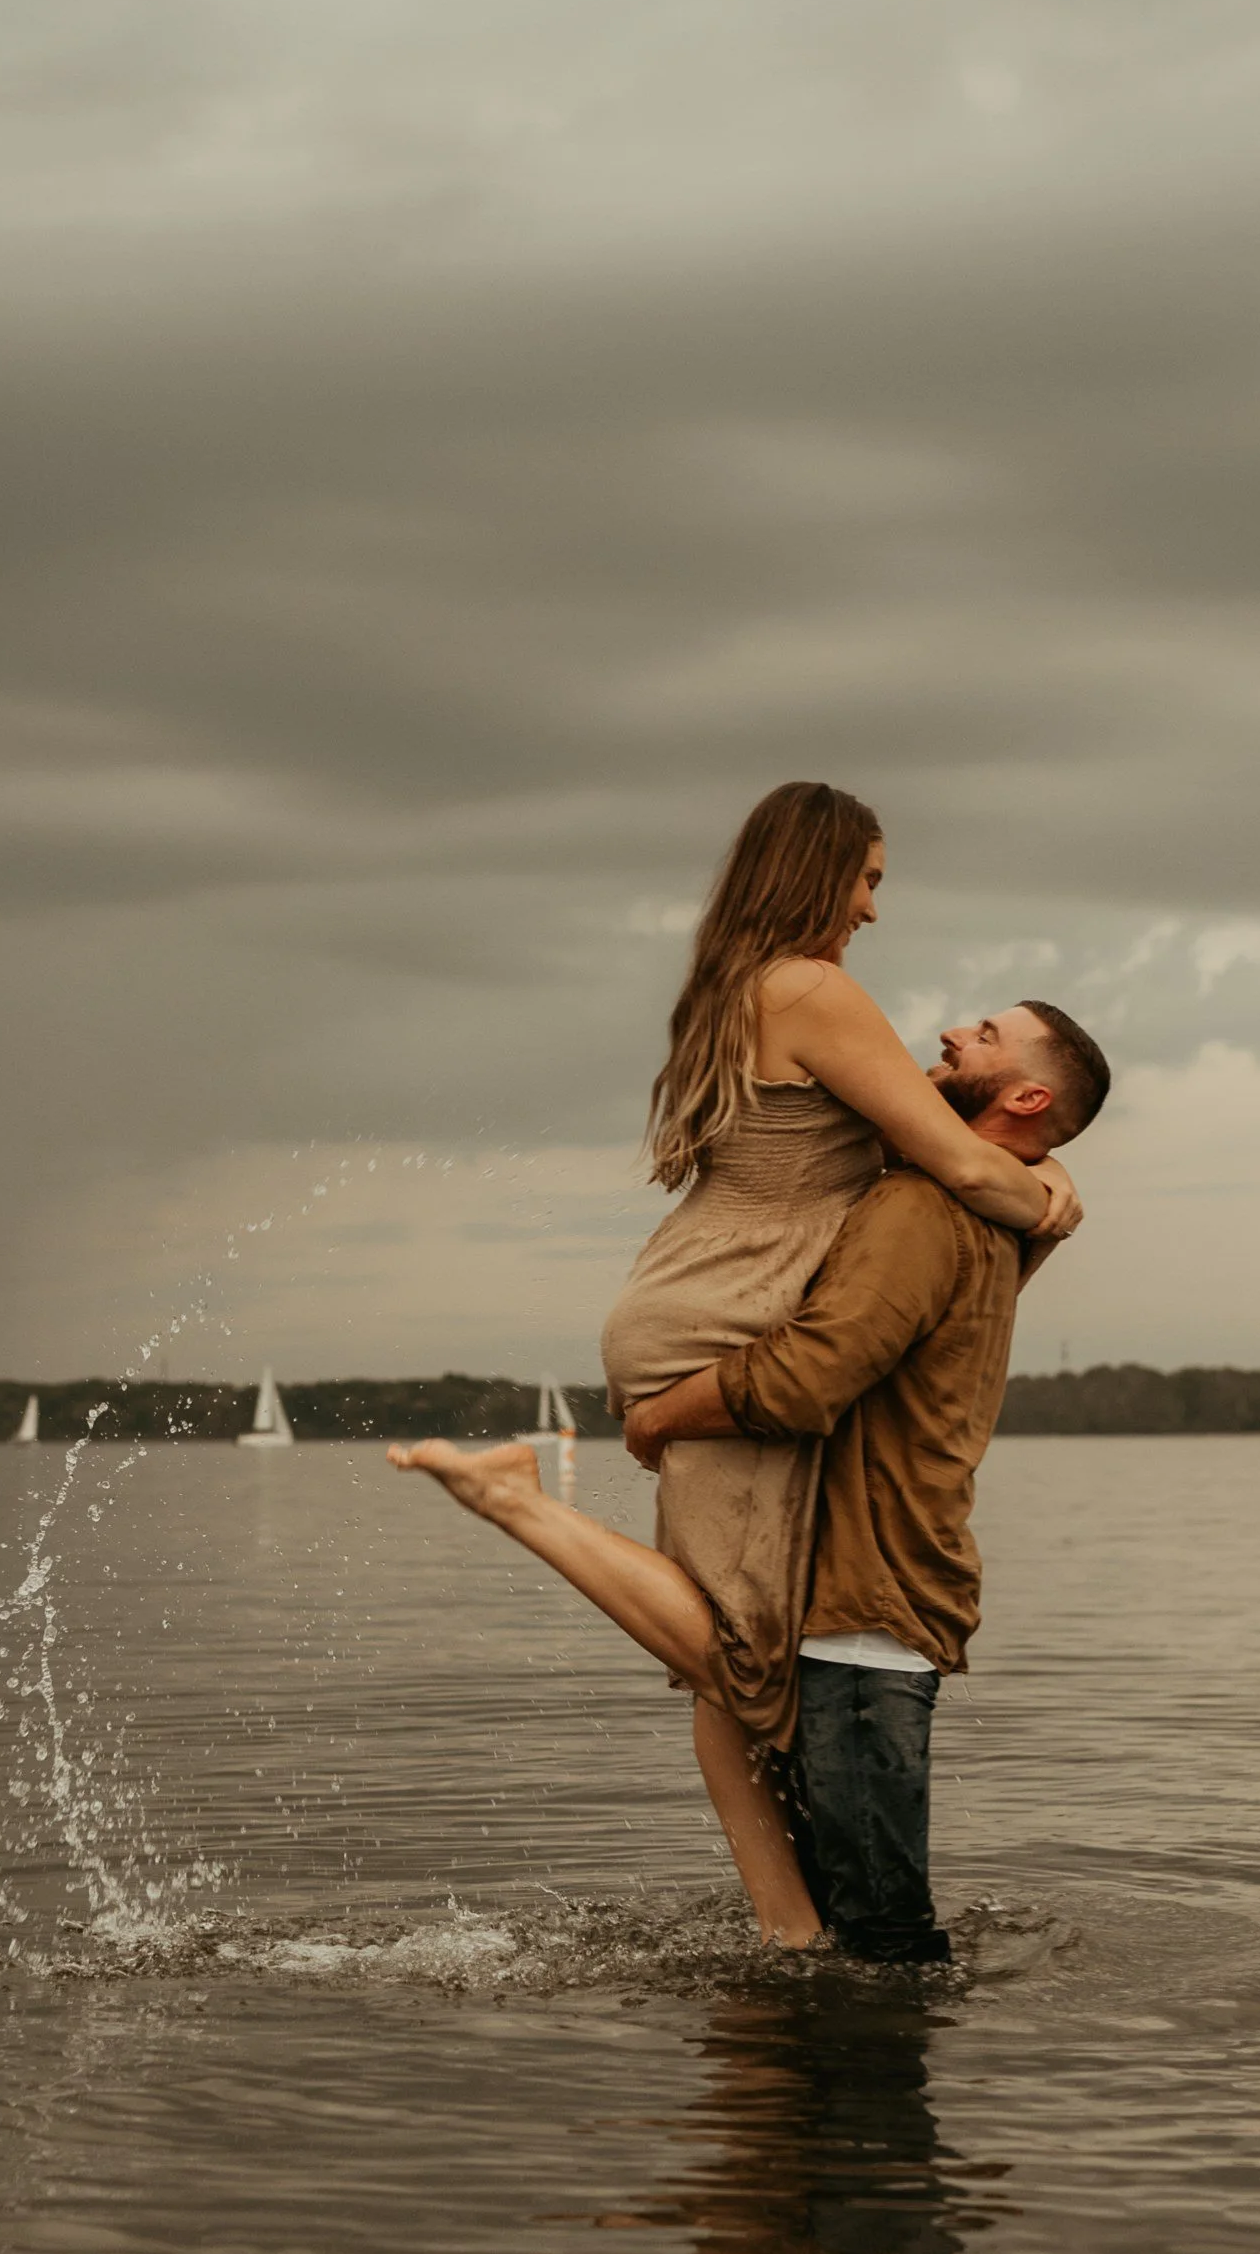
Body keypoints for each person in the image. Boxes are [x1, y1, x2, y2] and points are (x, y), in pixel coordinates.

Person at [390, 780, 1081, 1945]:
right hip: (731, 1309)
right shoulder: (812, 987)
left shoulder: (746, 986)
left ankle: (785, 1924)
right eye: (866, 877)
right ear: (818, 872)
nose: (870, 907)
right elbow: (959, 1168)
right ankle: (515, 1498)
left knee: (730, 1649)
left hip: (703, 1292)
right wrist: (1056, 1198)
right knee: (747, 1648)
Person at [623, 1000, 1112, 1962]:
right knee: (855, 1934)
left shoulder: (922, 1211)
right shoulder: (975, 1209)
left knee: (882, 1952)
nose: (951, 1035)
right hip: (867, 1620)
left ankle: (865, 2101)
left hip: (861, 1625)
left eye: (985, 1033)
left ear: (1025, 1093)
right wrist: (1049, 1175)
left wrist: (656, 1417)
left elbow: (807, 1379)